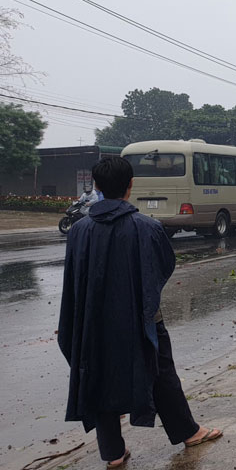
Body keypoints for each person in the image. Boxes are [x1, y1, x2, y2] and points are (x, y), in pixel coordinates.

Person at [59, 157, 222, 468]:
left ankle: (113, 454)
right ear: (131, 185)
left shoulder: (79, 231)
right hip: (142, 320)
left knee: (98, 377)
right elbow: (163, 266)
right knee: (160, 374)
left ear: (96, 187)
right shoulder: (147, 227)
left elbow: (74, 277)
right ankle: (189, 432)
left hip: (93, 322)